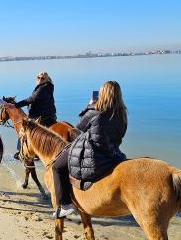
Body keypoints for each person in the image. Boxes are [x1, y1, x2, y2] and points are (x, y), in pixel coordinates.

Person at [51, 80, 127, 218]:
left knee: (57, 167)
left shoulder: (95, 111)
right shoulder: (122, 114)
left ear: (102, 94)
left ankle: (65, 205)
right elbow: (121, 134)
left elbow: (78, 127)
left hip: (94, 154)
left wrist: (89, 105)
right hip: (114, 153)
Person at [13, 71, 57, 159]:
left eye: (42, 78)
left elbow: (31, 99)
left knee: (23, 130)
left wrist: (15, 105)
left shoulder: (42, 89)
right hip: (51, 115)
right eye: (38, 77)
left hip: (40, 116)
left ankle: (21, 152)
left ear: (47, 79)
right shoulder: (49, 86)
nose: (40, 79)